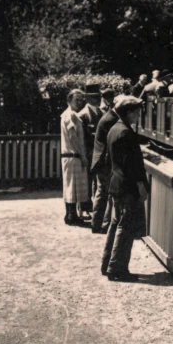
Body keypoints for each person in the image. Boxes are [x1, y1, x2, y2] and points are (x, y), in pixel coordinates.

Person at [102, 96, 151, 279]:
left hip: (116, 184)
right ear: (129, 112)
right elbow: (131, 166)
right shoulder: (125, 132)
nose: (139, 114)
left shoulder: (114, 129)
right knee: (125, 226)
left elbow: (109, 161)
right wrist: (140, 186)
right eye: (137, 111)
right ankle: (117, 269)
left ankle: (107, 264)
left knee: (116, 224)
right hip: (127, 187)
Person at [91, 96, 122, 235]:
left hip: (101, 160)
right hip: (104, 162)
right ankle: (99, 225)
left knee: (102, 193)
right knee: (104, 193)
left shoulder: (109, 116)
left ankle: (98, 224)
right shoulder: (111, 119)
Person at [61, 89, 90, 225]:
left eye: (81, 100)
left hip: (71, 155)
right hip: (73, 155)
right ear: (69, 100)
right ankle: (71, 216)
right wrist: (83, 156)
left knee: (72, 186)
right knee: (72, 187)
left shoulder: (70, 114)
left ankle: (71, 215)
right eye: (76, 100)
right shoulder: (70, 114)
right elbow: (73, 137)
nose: (79, 102)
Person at [79, 85, 104, 213]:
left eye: (99, 96)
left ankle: (97, 208)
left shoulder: (102, 113)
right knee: (87, 181)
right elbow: (82, 137)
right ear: (88, 98)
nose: (98, 99)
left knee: (98, 182)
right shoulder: (83, 115)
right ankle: (85, 207)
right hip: (89, 152)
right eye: (95, 97)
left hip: (100, 153)